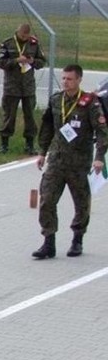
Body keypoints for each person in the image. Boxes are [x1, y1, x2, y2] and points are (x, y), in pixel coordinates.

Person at [32, 64, 107, 259]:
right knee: (47, 199)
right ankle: (48, 242)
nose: (66, 82)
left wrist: (99, 158)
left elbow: (101, 131)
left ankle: (77, 239)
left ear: (79, 80)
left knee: (81, 202)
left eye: (70, 79)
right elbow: (47, 126)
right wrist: (42, 152)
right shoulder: (56, 100)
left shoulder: (90, 103)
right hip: (56, 159)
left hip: (79, 161)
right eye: (64, 78)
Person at [0, 23, 46, 155]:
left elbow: (42, 62)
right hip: (11, 86)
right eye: (22, 35)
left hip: (28, 86)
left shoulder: (34, 44)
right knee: (9, 116)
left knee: (30, 116)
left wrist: (32, 61)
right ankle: (4, 145)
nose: (25, 37)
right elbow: (1, 63)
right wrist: (16, 60)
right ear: (18, 32)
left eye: (27, 35)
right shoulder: (8, 43)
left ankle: (29, 145)